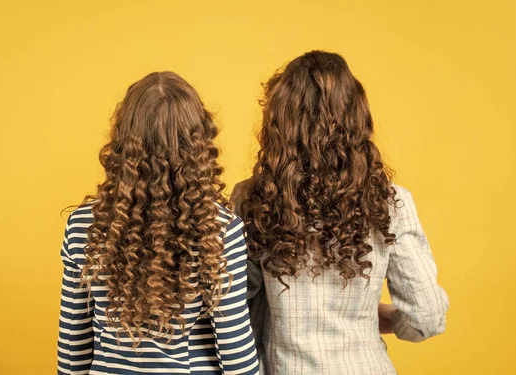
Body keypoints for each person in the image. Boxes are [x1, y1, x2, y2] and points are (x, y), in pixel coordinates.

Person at [231, 51, 449, 375]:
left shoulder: (255, 200)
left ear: (278, 123)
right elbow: (427, 317)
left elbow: (234, 305)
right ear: (358, 120)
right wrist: (384, 319)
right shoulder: (391, 205)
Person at [57, 72, 259, 375]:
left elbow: (73, 346)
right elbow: (234, 349)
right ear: (199, 142)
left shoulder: (83, 226)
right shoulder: (218, 230)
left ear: (123, 138)